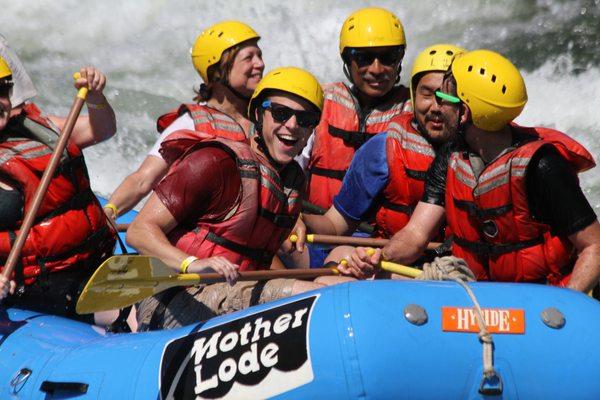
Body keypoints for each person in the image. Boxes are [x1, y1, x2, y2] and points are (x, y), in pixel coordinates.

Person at [343, 50, 600, 293]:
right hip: (477, 293)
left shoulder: (542, 166)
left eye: (444, 99)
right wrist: (381, 256)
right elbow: (415, 235)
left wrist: (565, 304)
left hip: (542, 297)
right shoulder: (451, 156)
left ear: (464, 112)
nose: (437, 107)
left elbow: (594, 246)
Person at [128, 67, 326, 330]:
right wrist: (193, 264)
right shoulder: (215, 162)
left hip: (237, 294)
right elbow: (138, 232)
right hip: (177, 299)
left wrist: (294, 222)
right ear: (258, 114)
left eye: (305, 119)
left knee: (334, 286)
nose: (292, 125)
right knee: (316, 297)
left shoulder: (290, 183)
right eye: (280, 113)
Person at [289, 44, 465, 272]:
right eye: (427, 94)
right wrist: (298, 220)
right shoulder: (381, 150)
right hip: (396, 266)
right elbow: (335, 225)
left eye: (446, 97)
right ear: (414, 94)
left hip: (460, 270)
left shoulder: (482, 150)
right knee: (341, 254)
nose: (435, 107)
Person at [104, 21, 264, 220]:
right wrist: (110, 211)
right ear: (219, 69)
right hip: (205, 237)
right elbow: (142, 180)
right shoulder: (191, 123)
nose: (260, 64)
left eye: (259, 55)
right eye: (249, 57)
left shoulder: (273, 119)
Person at [0, 56, 117, 319]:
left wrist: (95, 98)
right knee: (128, 314)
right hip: (35, 282)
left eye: (2, 90)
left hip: (89, 259)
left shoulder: (32, 128)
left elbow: (103, 129)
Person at [304, 7, 411, 210]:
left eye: (388, 57)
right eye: (364, 58)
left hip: (380, 238)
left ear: (399, 60)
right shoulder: (319, 101)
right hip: (317, 230)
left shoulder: (415, 112)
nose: (376, 69)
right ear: (347, 60)